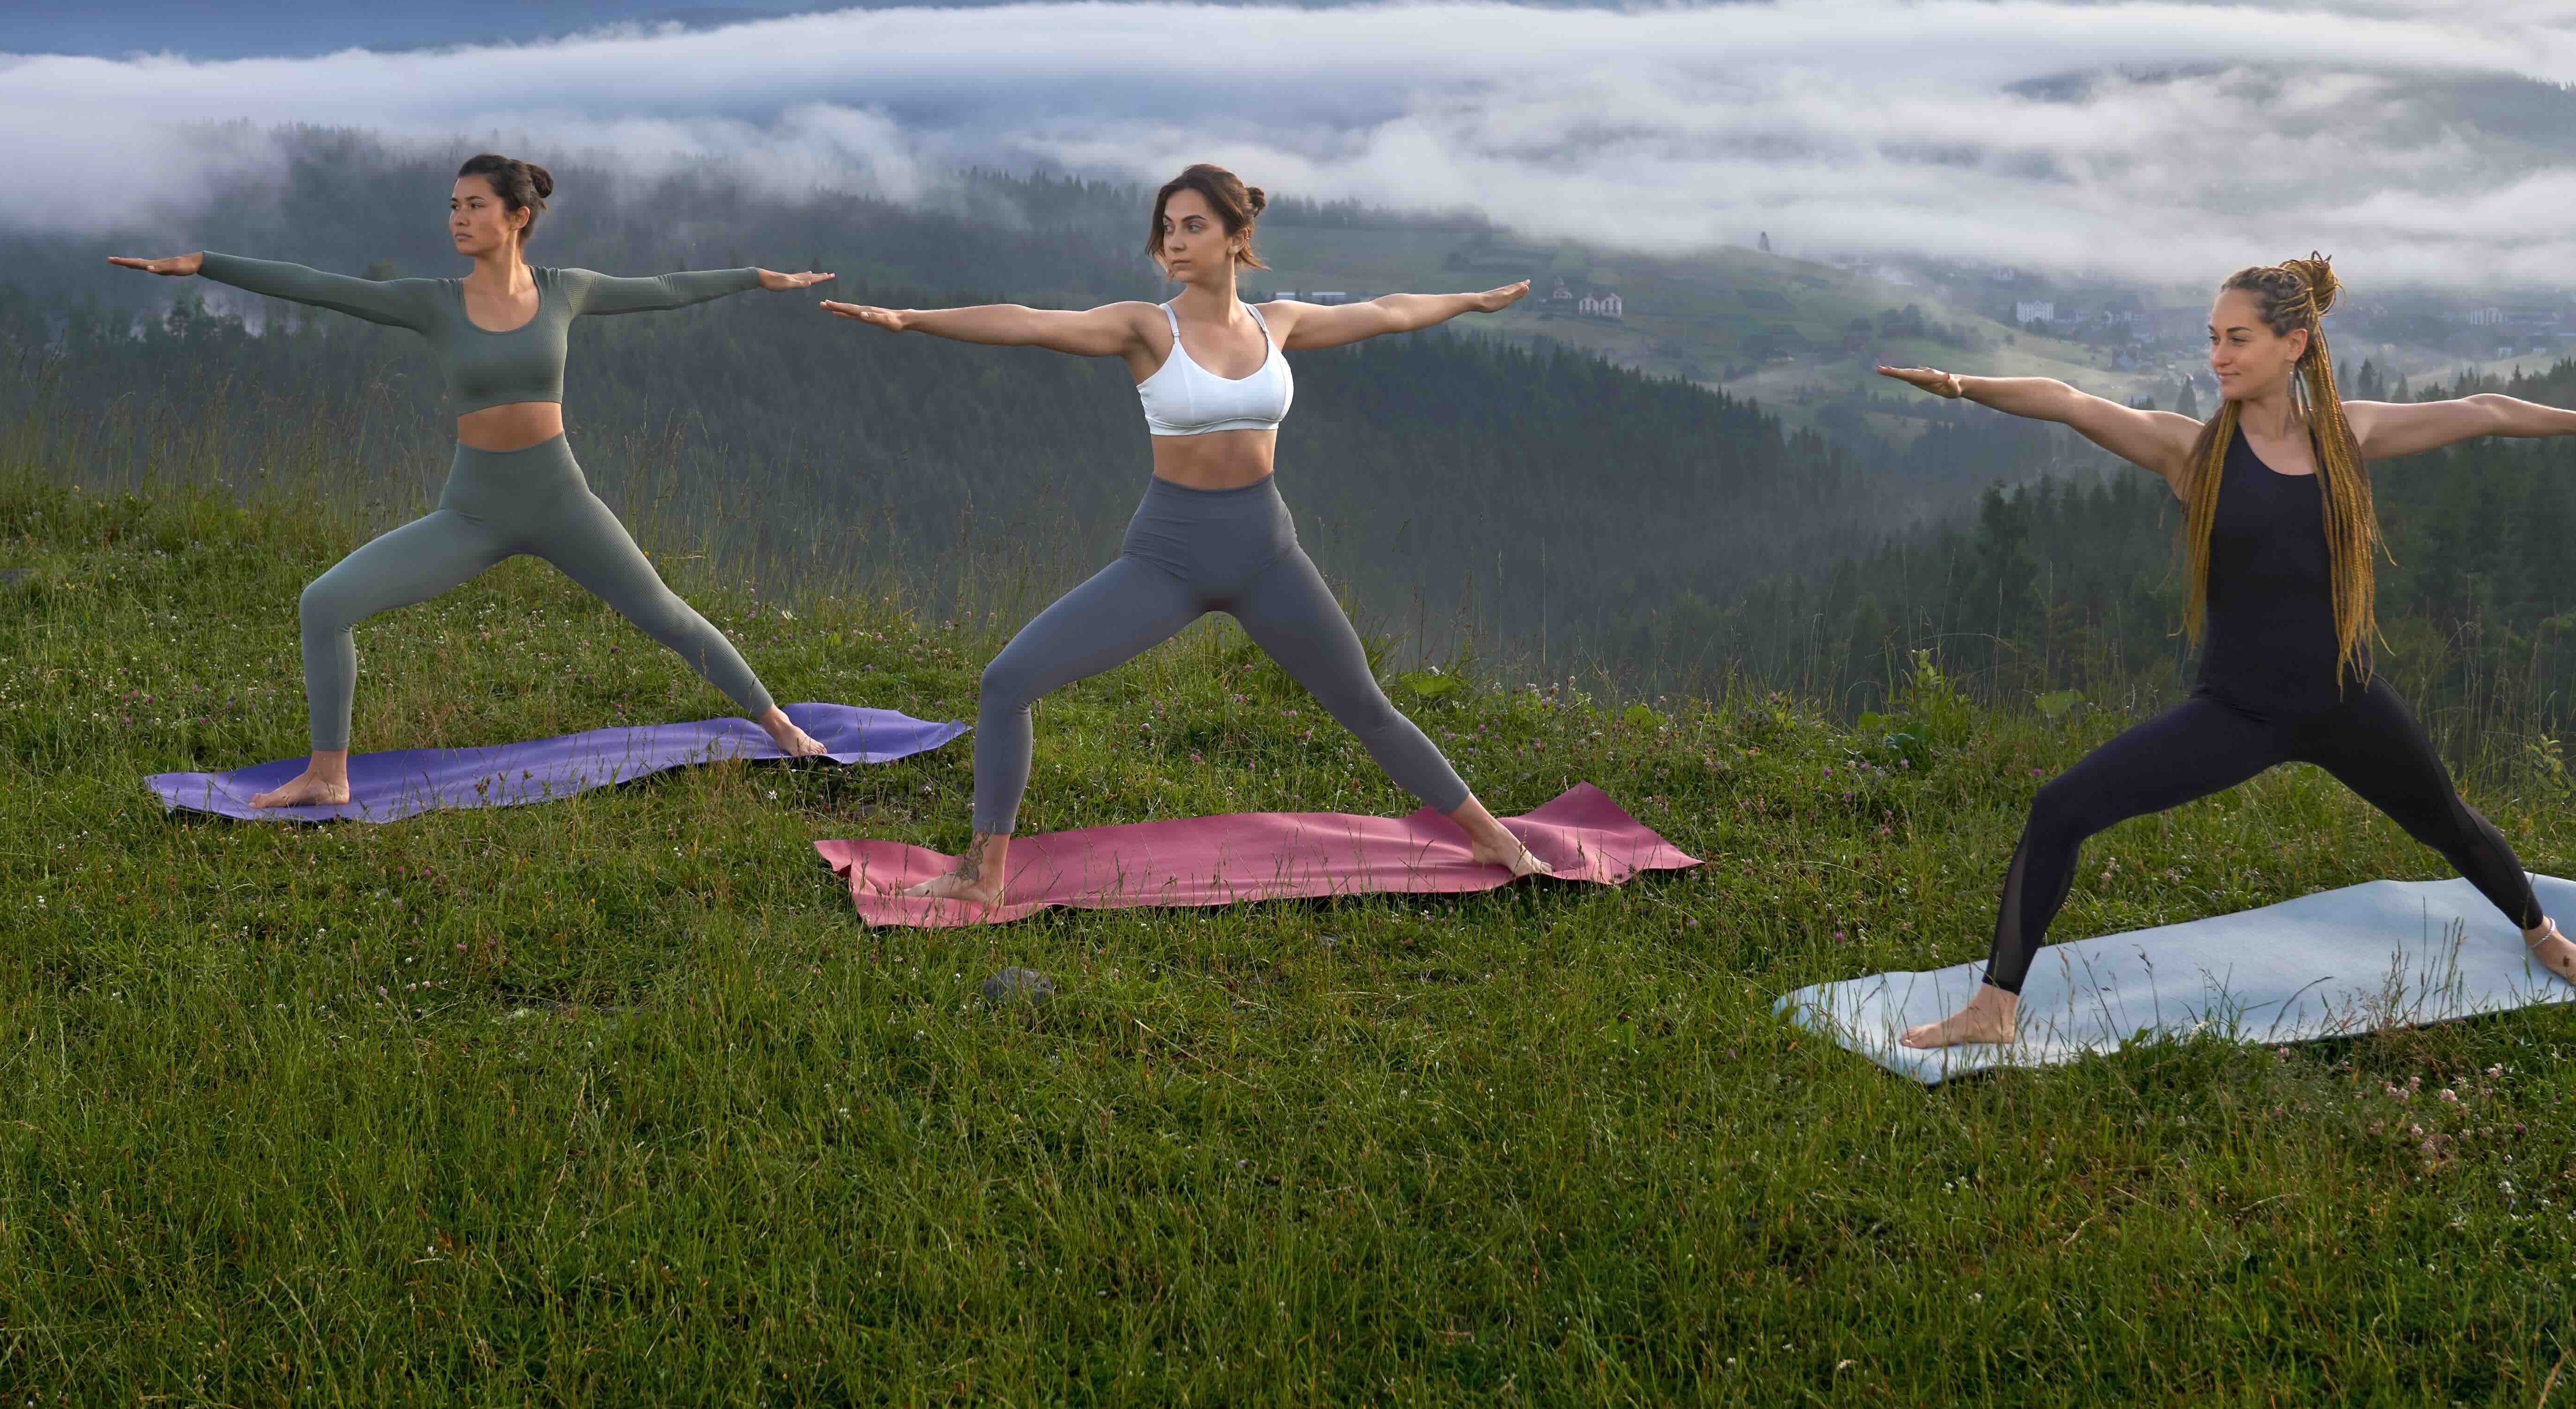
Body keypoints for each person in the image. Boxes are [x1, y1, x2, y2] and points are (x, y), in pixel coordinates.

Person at [1875, 255, 2576, 1049]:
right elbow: (2070, 402)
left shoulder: (2348, 434)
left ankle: (2541, 935)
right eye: (2213, 339)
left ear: (2294, 344)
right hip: (2238, 712)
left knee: (2451, 823)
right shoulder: (2190, 452)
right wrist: (1961, 383)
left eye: (2237, 339)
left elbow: (2486, 410)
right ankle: (1994, 1008)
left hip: (2345, 703)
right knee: (2059, 810)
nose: (2218, 357)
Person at [821, 161, 1547, 902]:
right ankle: (982, 875)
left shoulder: (1280, 322)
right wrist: (912, 320)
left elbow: (1389, 311)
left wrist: (1471, 300)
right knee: (1007, 682)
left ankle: (1498, 840)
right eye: (1167, 228)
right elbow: (1031, 323)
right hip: (1168, 559)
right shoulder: (1146, 327)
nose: (1175, 242)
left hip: (1269, 554)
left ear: (1238, 235)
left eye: (1194, 226)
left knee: (1365, 706)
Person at [110, 153, 833, 807]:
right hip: (475, 512)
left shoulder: (567, 290)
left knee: (665, 616)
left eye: (474, 205)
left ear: (517, 217)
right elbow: (317, 286)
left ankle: (777, 723)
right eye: (453, 206)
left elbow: (668, 287)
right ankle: (329, 776)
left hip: (561, 502)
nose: (457, 218)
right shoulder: (433, 302)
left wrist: (757, 277)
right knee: (324, 603)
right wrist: (204, 263)